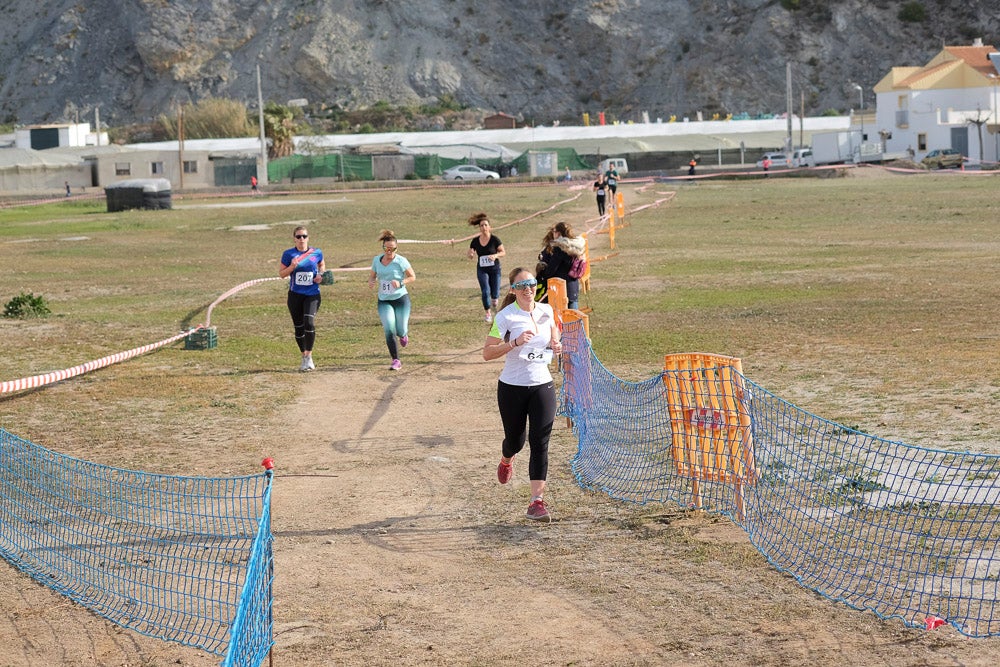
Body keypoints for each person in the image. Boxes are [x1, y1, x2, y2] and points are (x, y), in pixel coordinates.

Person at [483, 266, 563, 522]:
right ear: (513, 290)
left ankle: (536, 502)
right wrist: (514, 343)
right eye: (521, 285)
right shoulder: (505, 317)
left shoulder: (547, 310)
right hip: (512, 388)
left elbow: (553, 333)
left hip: (542, 385)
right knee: (517, 441)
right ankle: (507, 458)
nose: (528, 289)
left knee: (540, 442)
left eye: (531, 283)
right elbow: (487, 352)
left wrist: (556, 343)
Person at [278, 225, 325, 371]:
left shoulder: (316, 252)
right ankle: (304, 356)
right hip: (295, 295)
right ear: (294, 239)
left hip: (312, 294)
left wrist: (320, 275)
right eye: (298, 237)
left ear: (308, 238)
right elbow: (282, 274)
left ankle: (309, 356)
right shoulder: (288, 254)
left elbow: (322, 265)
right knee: (299, 328)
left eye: (304, 236)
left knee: (308, 322)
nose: (301, 239)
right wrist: (292, 266)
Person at [368, 229, 416, 371]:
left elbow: (413, 276)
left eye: (392, 248)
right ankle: (396, 360)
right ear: (383, 247)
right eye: (386, 248)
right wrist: (371, 281)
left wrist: (401, 282)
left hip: (401, 299)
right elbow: (372, 275)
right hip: (384, 300)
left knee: (401, 329)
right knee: (389, 329)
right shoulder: (377, 260)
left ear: (396, 248)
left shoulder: (401, 261)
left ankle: (403, 334)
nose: (389, 251)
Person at [537, 221, 586, 310]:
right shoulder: (576, 246)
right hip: (573, 287)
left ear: (559, 233)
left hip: (560, 289)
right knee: (574, 318)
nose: (553, 233)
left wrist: (542, 269)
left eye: (554, 231)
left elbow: (551, 270)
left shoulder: (560, 248)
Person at [467, 212, 506, 323]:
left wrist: (496, 255)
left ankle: (494, 300)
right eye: (481, 225)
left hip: (495, 269)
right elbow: (470, 253)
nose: (483, 227)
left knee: (495, 293)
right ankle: (488, 313)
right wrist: (470, 254)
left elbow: (503, 252)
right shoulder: (475, 241)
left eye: (485, 225)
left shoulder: (495, 240)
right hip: (482, 269)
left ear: (489, 227)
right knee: (485, 291)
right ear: (479, 228)